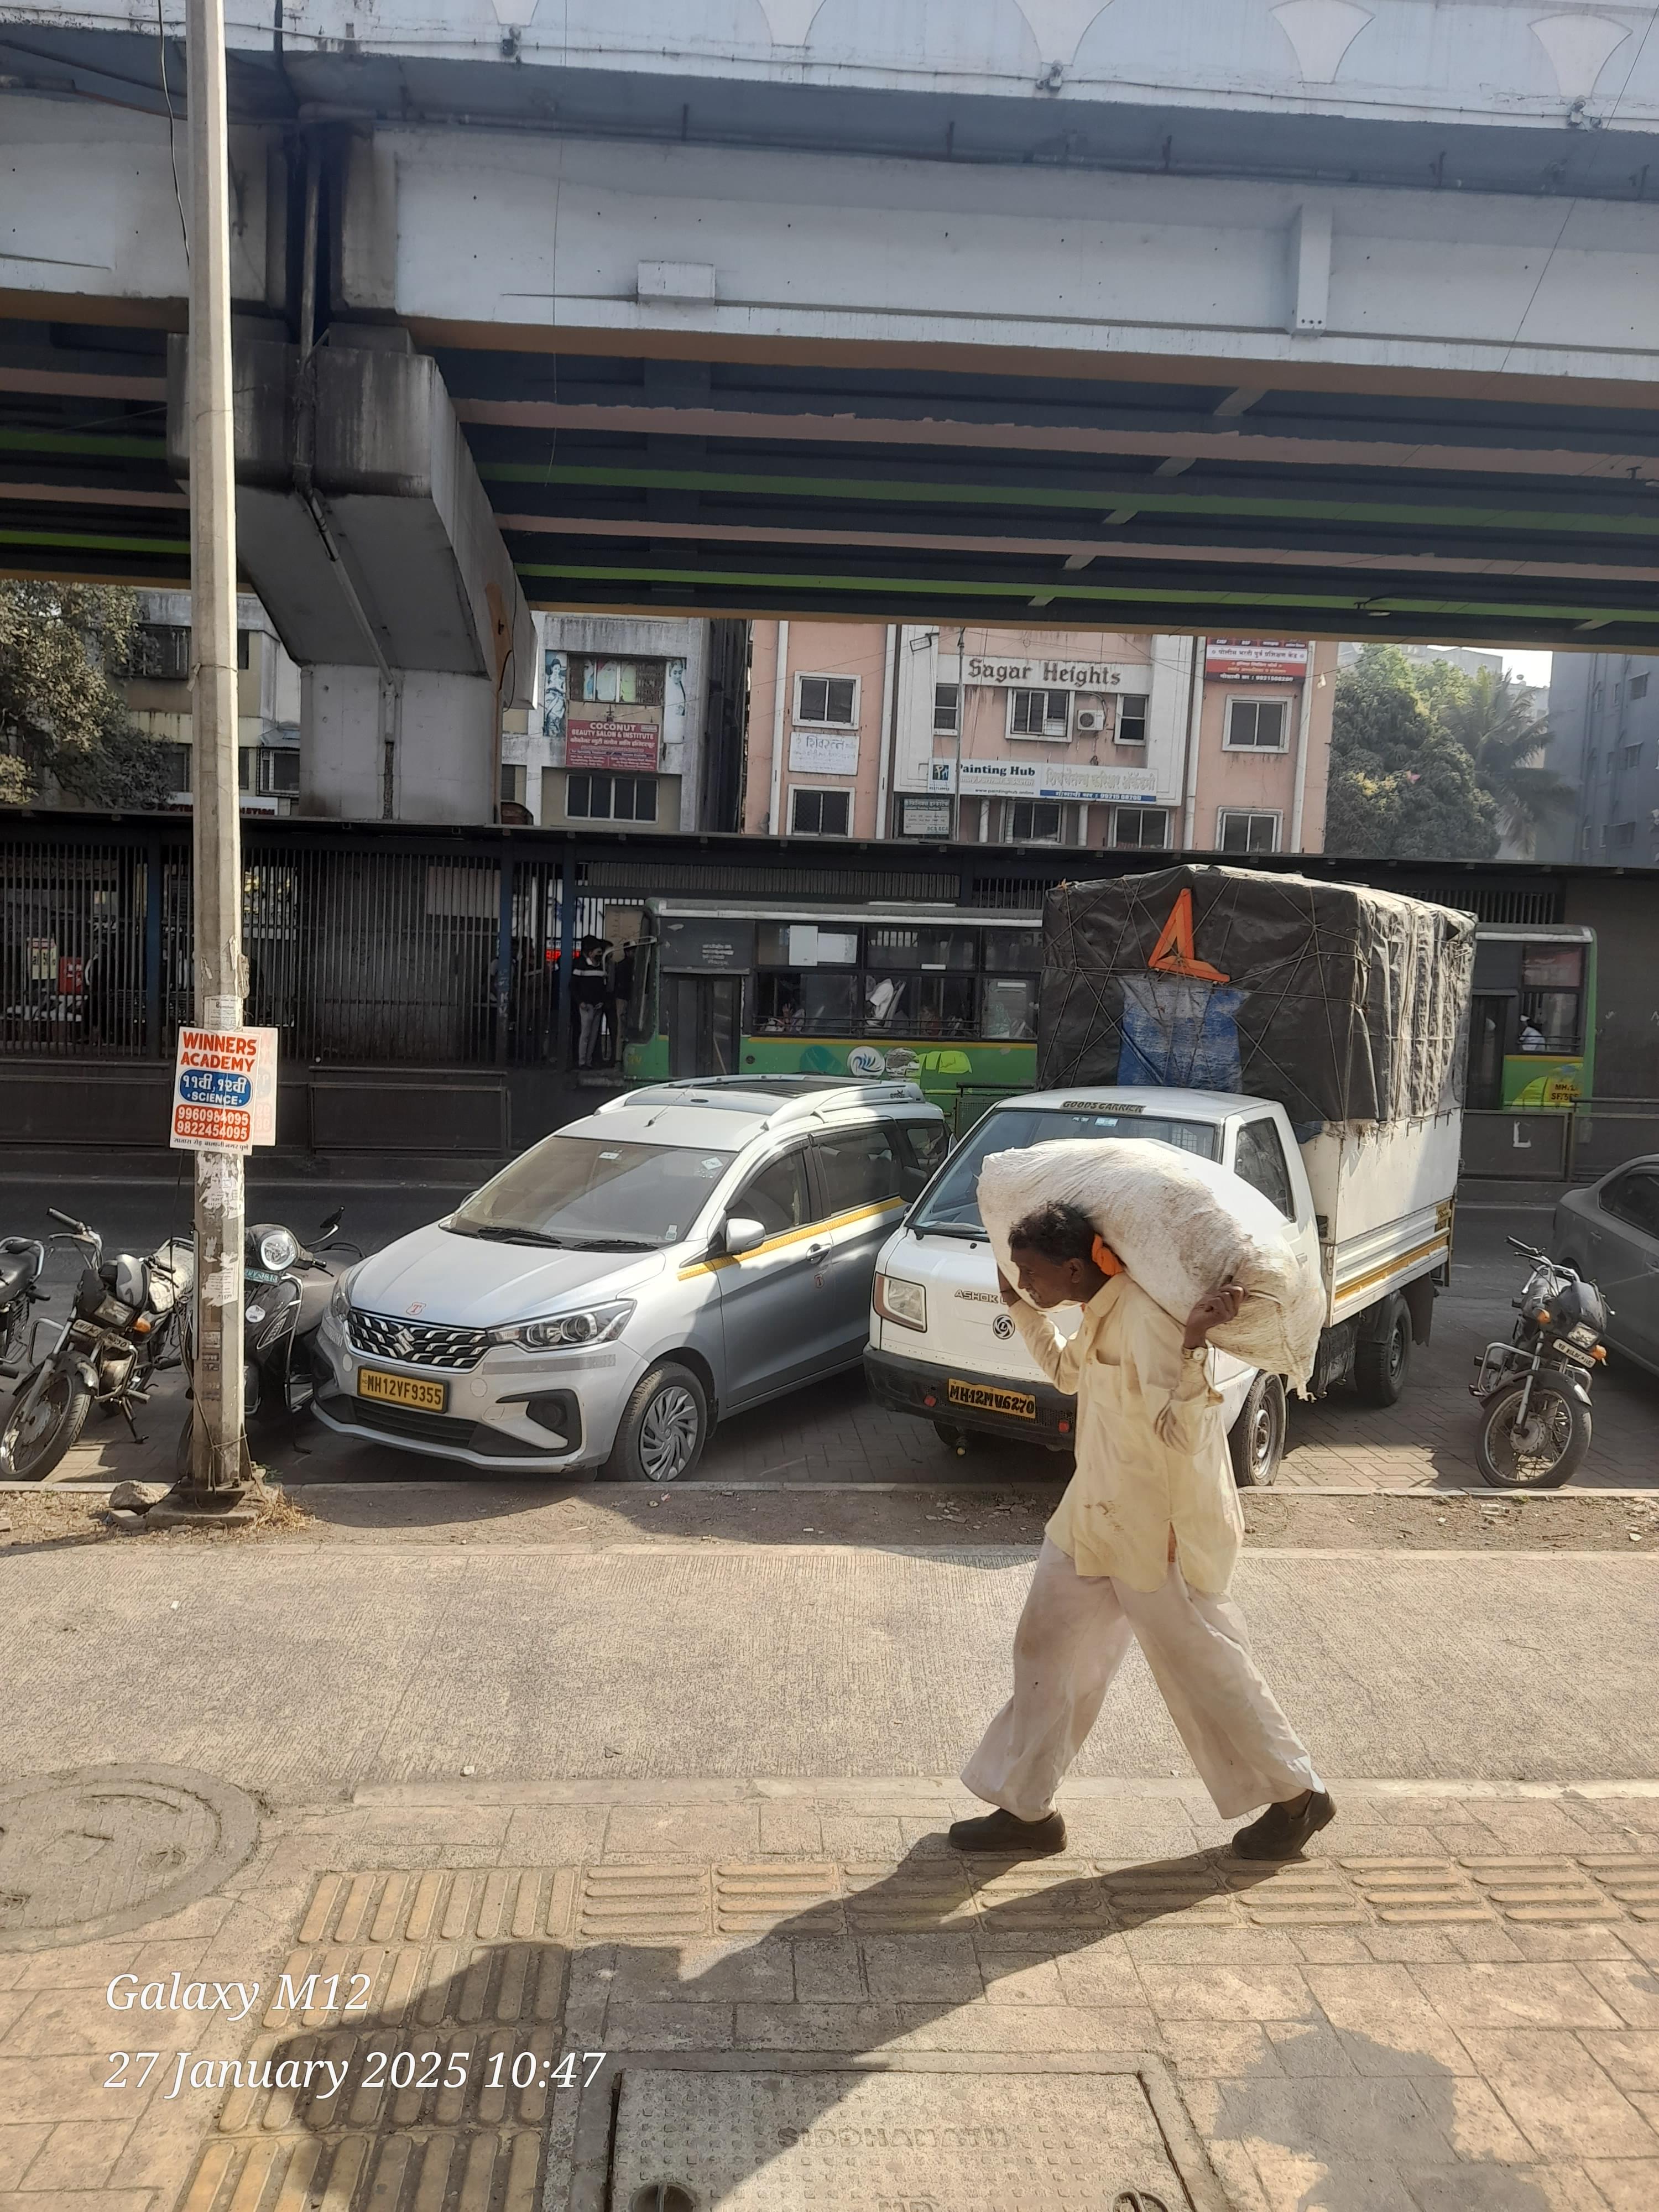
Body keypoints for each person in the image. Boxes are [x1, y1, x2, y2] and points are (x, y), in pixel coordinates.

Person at [951, 1198, 1333, 1862]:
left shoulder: (1150, 1321)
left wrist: (1190, 1347)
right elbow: (1071, 1373)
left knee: (1204, 1669)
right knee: (1044, 1652)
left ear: (1074, 1268)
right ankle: (1026, 1809)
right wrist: (1019, 1307)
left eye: (1032, 1273)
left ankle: (1298, 1795)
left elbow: (1184, 1433)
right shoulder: (1098, 1311)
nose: (1027, 1281)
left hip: (1158, 1532)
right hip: (1090, 1516)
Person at [572, 934, 612, 1068]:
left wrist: (602, 1002)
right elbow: (573, 986)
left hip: (597, 1006)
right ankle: (582, 1062)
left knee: (594, 1036)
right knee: (585, 1035)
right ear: (590, 953)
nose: (601, 955)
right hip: (586, 1006)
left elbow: (604, 987)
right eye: (598, 952)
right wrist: (581, 1002)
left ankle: (588, 1062)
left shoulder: (602, 967)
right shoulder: (581, 966)